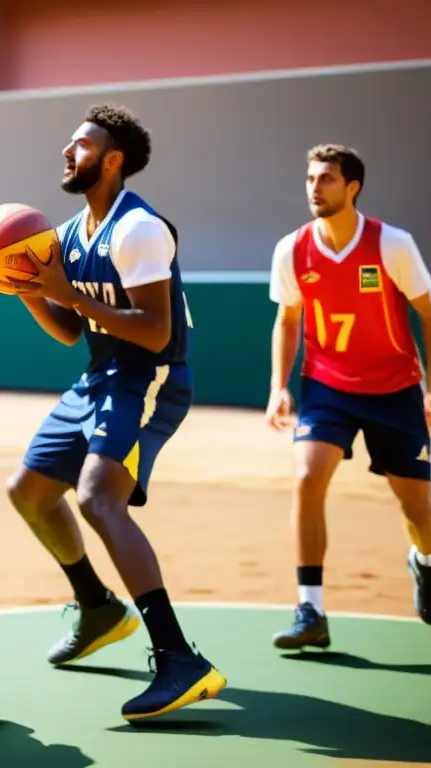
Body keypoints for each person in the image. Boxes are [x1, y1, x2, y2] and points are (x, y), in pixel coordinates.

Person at [4, 104, 226, 721]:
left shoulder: (139, 229)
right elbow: (70, 329)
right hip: (98, 378)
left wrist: (65, 291)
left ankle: (180, 658)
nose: (66, 152)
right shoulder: (74, 234)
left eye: (80, 144)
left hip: (149, 379)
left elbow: (155, 333)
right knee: (28, 492)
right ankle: (97, 607)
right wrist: (28, 290)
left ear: (113, 159)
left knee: (99, 497)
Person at [265, 144, 431, 649]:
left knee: (417, 507)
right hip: (327, 386)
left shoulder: (392, 245)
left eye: (327, 179)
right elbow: (288, 320)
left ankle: (423, 561)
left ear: (352, 187)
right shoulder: (291, 249)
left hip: (395, 388)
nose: (315, 187)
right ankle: (309, 609)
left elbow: (429, 311)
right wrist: (278, 388)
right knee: (307, 476)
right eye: (311, 178)